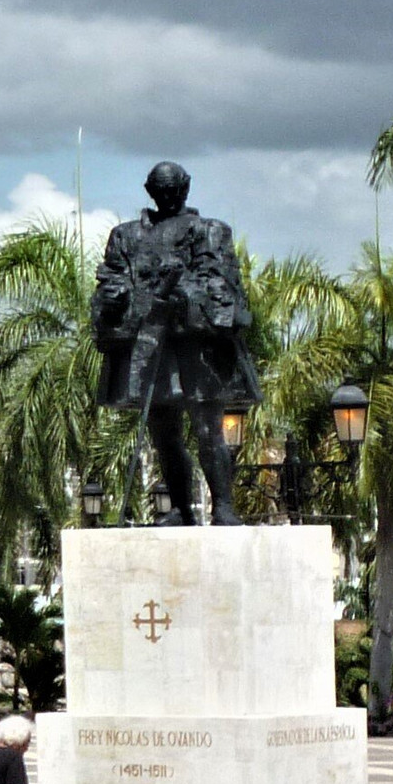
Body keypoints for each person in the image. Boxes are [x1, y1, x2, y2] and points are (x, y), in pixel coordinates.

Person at [92, 161, 262, 526]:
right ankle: (183, 509)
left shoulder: (209, 230)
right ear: (149, 190)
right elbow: (110, 279)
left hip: (195, 347)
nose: (168, 196)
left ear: (186, 187)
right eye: (161, 190)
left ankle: (224, 507)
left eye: (175, 189)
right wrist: (120, 295)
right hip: (151, 345)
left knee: (207, 428)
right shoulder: (125, 236)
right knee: (163, 433)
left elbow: (221, 282)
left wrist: (185, 294)